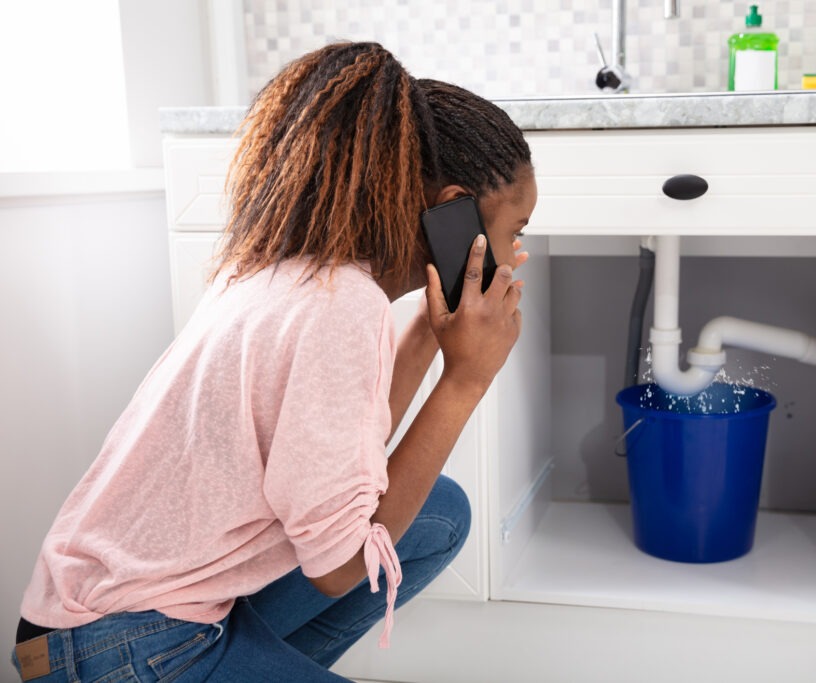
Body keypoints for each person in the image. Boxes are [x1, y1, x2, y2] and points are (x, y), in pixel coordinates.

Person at [12, 41, 536, 682]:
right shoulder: (341, 308)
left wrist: (430, 330)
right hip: (122, 647)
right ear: (453, 210)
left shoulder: (293, 273)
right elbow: (340, 567)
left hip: (96, 622)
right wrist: (467, 379)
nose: (515, 251)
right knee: (400, 528)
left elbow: (343, 466)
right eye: (517, 229)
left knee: (438, 513)